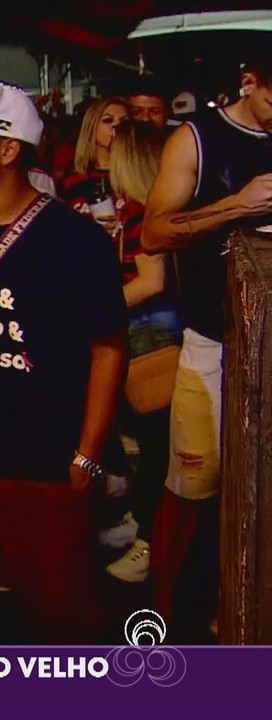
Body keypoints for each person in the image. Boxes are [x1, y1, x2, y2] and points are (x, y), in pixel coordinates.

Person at [0, 82, 128, 644]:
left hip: (39, 468)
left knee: (62, 625)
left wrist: (88, 452)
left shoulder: (76, 239)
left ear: (9, 150)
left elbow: (108, 348)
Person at [142, 56, 272, 641]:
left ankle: (242, 614)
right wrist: (238, 206)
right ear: (251, 84)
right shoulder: (197, 138)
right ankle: (158, 621)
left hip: (268, 346)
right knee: (193, 490)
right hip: (212, 344)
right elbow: (154, 231)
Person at [103, 120, 180, 583]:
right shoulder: (147, 209)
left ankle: (153, 545)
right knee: (155, 449)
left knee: (158, 452)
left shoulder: (144, 212)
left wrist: (96, 305)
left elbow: (152, 282)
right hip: (154, 335)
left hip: (153, 339)